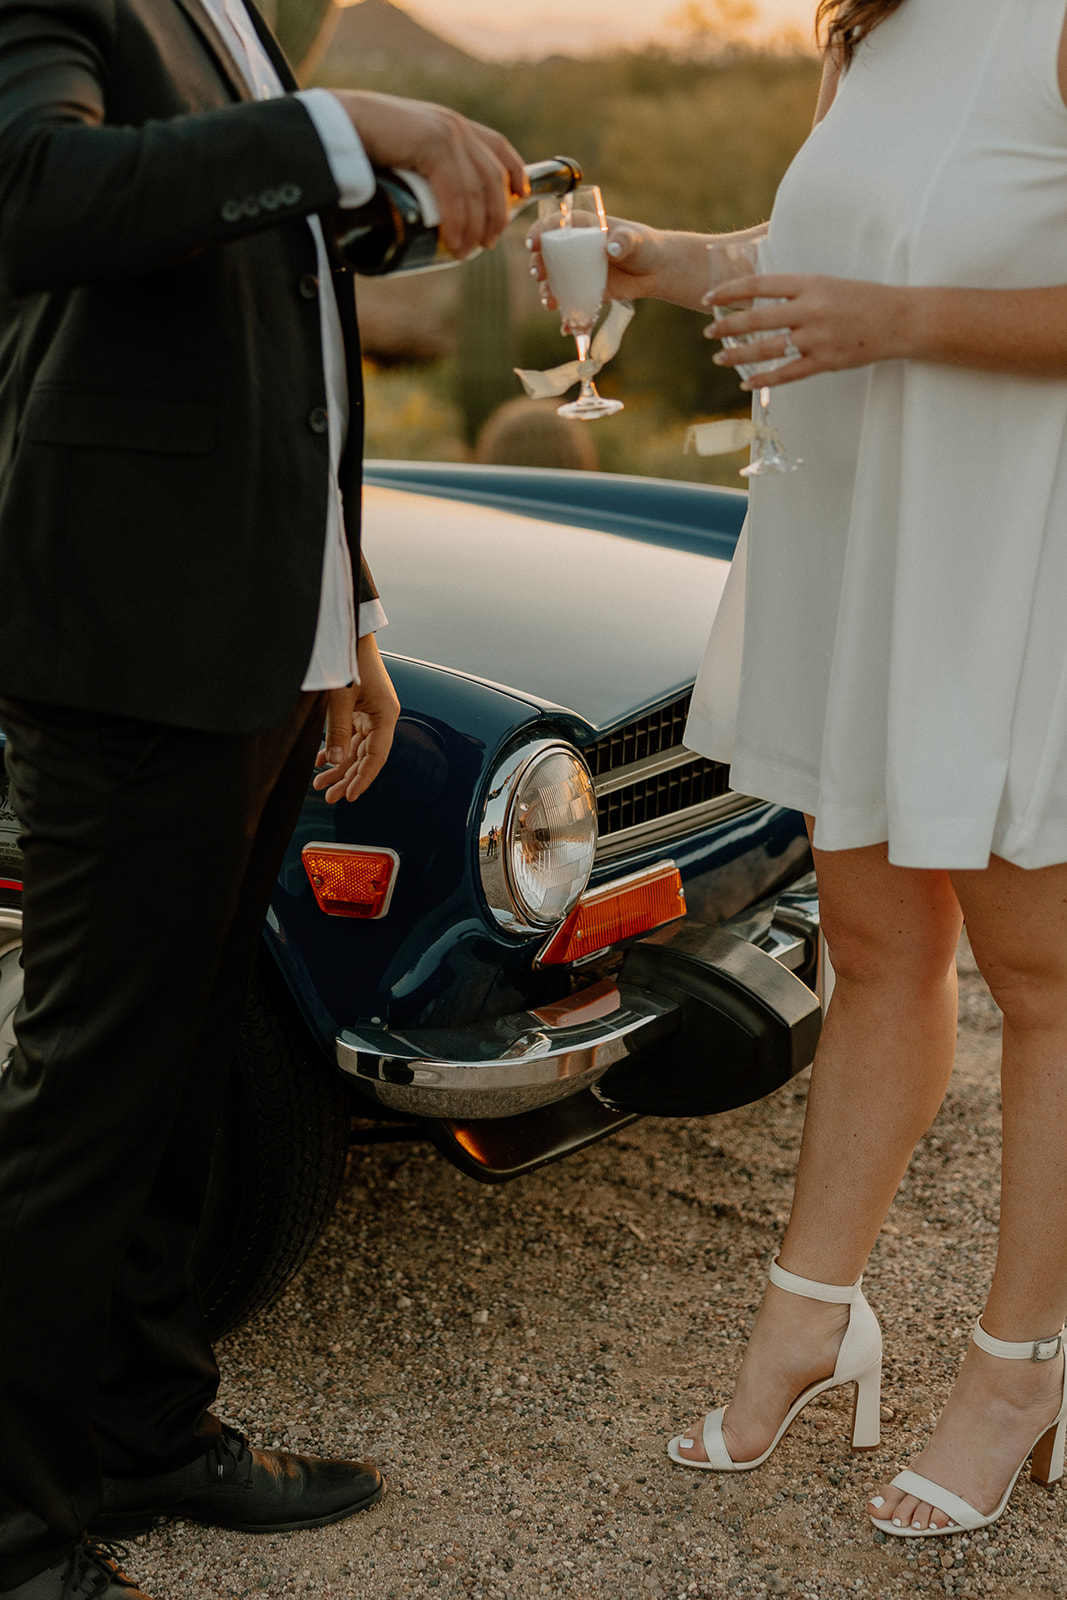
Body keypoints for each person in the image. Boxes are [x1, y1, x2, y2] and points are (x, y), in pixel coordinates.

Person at [0, 0, 527, 1595]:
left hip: (258, 638)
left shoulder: (223, 14)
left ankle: (148, 1430)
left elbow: (269, 318)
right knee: (90, 1097)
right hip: (127, 638)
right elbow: (34, 192)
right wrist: (337, 125)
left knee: (184, 1070)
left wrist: (347, 619)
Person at [534, 0, 1067, 1545]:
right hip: (871, 544)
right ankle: (810, 1320)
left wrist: (887, 325)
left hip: (1005, 560)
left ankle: (1019, 1368)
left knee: (1045, 982)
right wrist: (663, 258)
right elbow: (837, 240)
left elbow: (897, 292)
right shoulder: (879, 27)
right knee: (881, 948)